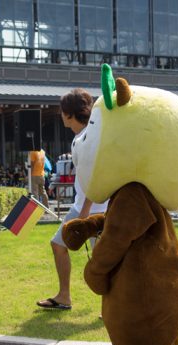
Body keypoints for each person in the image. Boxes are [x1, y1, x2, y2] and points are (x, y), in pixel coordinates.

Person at [37, 88, 108, 310]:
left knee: (100, 258)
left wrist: (85, 213)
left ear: (69, 114)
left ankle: (70, 297)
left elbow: (94, 176)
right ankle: (65, 296)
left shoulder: (86, 138)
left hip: (92, 208)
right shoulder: (84, 136)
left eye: (61, 111)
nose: (60, 115)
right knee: (96, 256)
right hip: (91, 206)